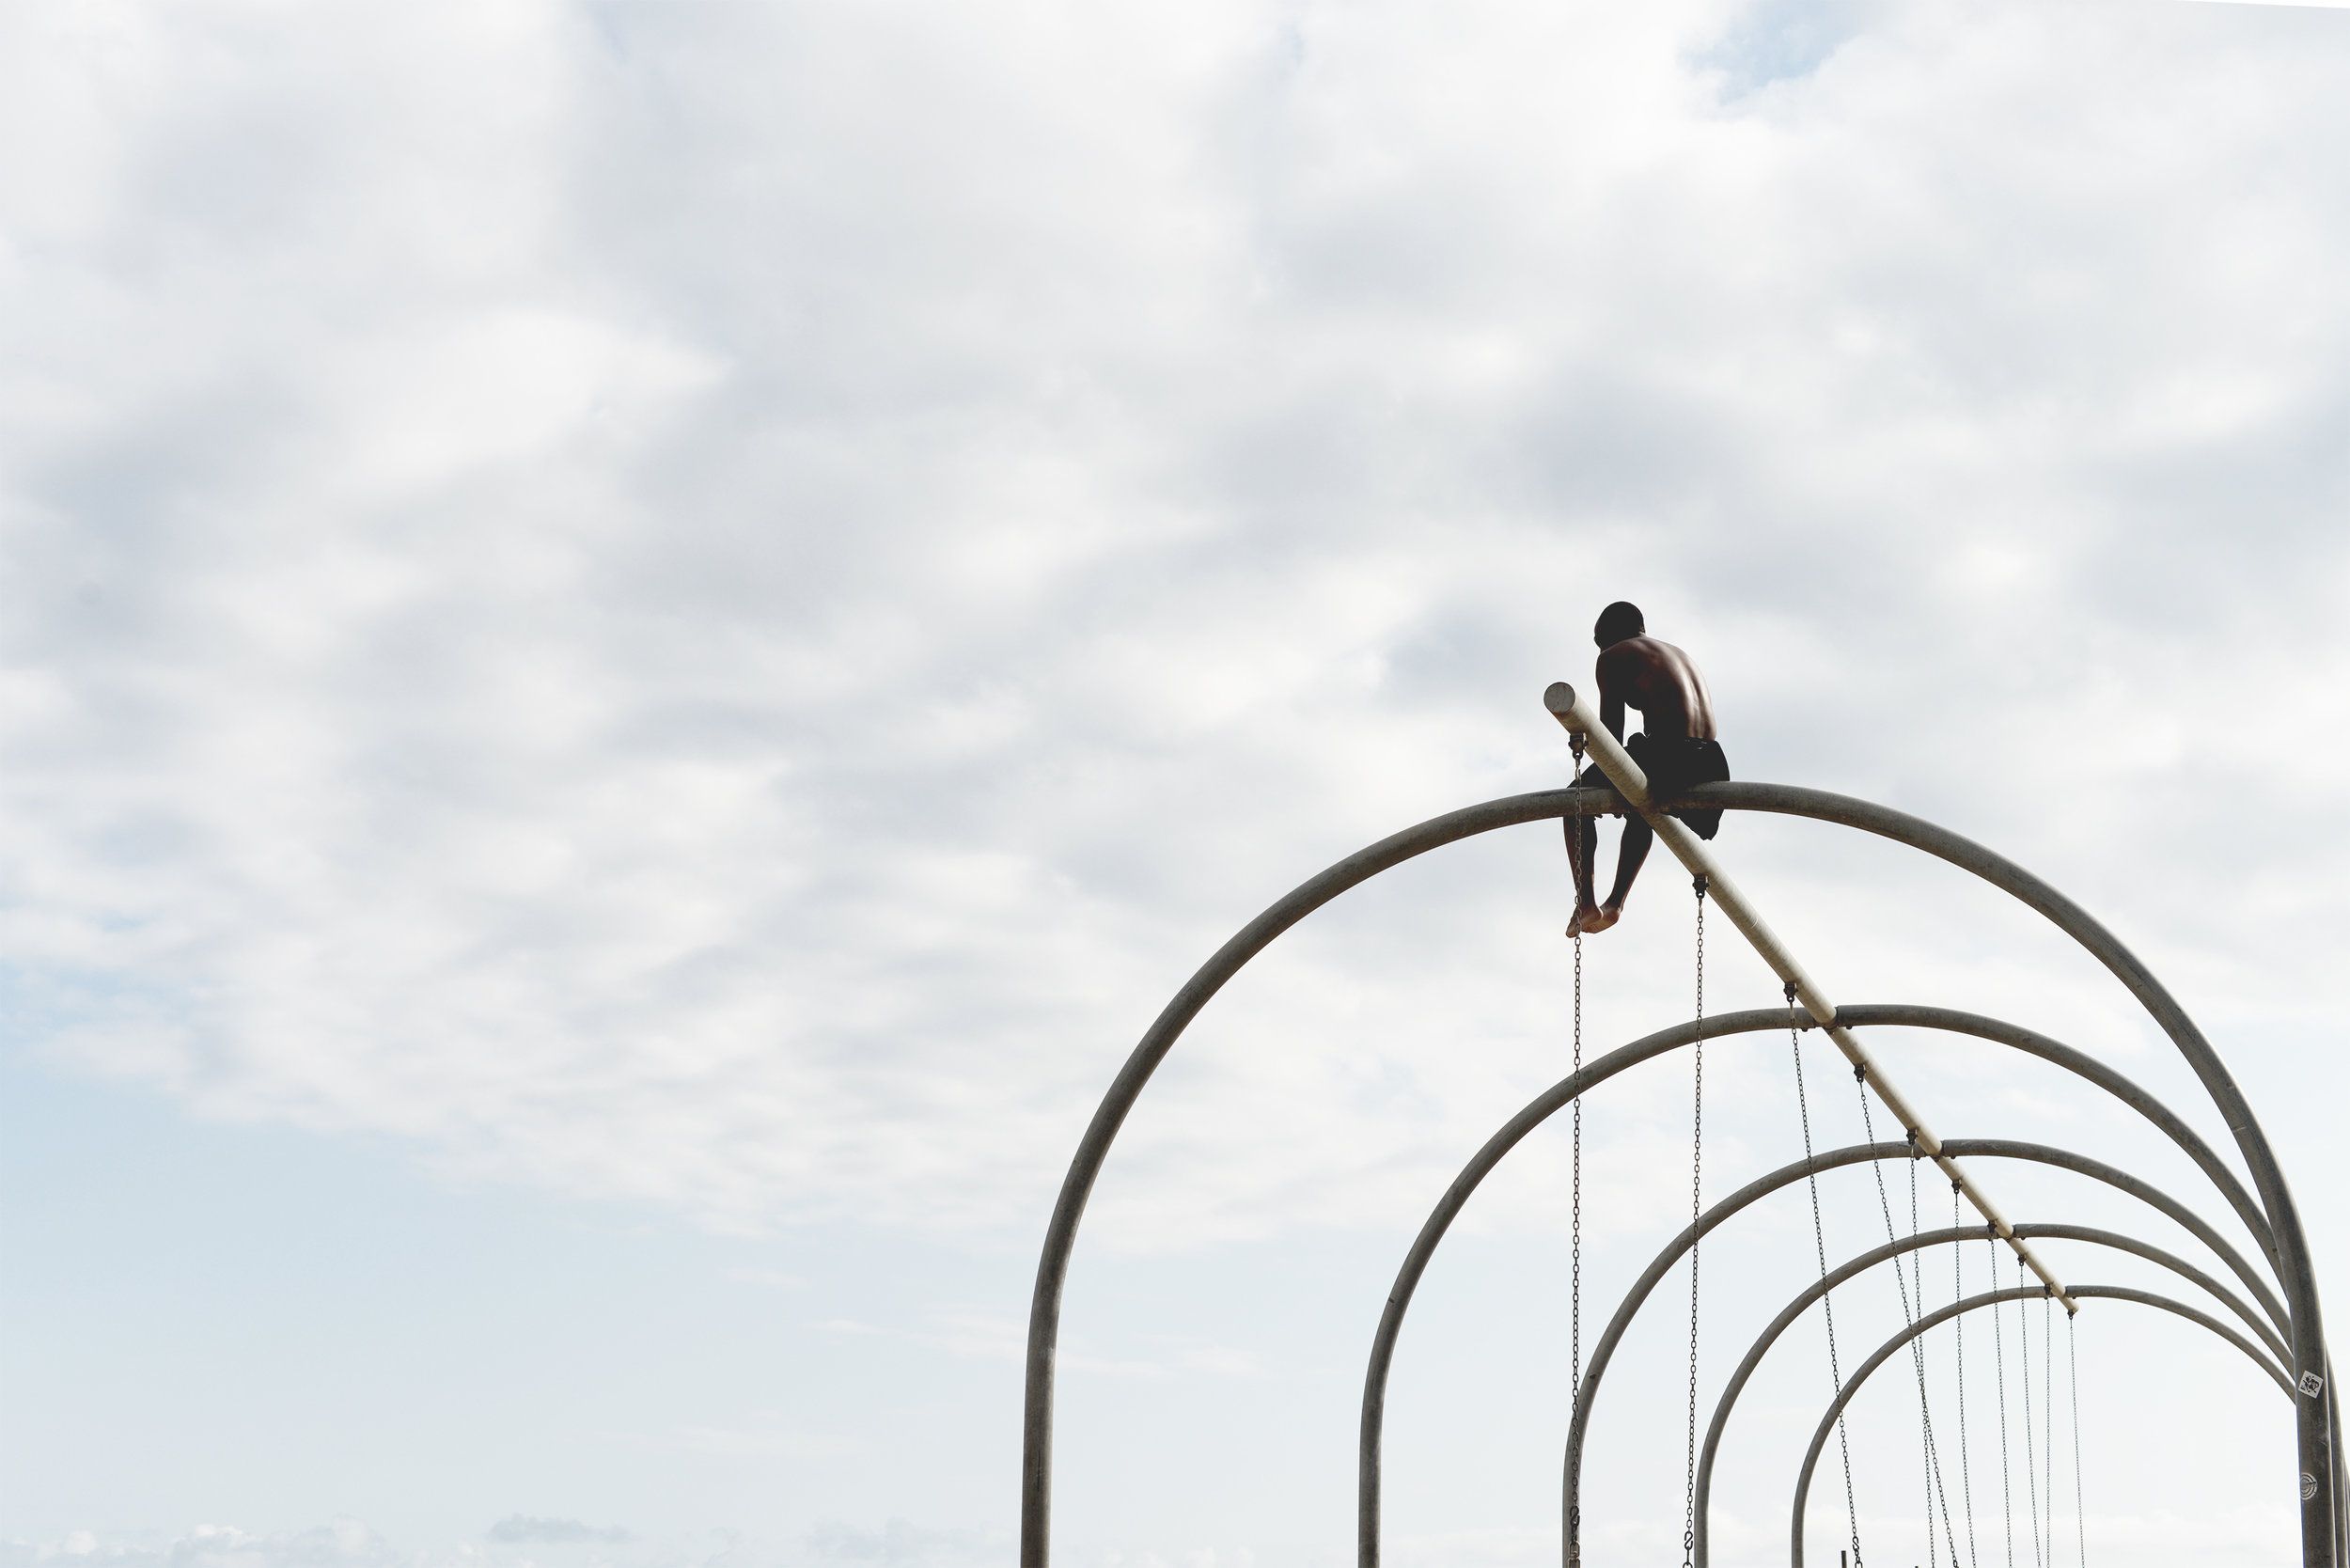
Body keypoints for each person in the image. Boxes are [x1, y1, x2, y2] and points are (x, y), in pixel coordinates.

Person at [1566, 602, 1729, 935]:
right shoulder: (1675, 654)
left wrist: (1597, 762)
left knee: (1573, 801)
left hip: (1670, 753)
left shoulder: (1614, 656)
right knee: (1644, 803)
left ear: (1610, 636)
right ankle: (1615, 904)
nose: (1599, 649)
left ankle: (1586, 902)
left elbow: (1610, 739)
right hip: (1710, 761)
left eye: (1599, 642)